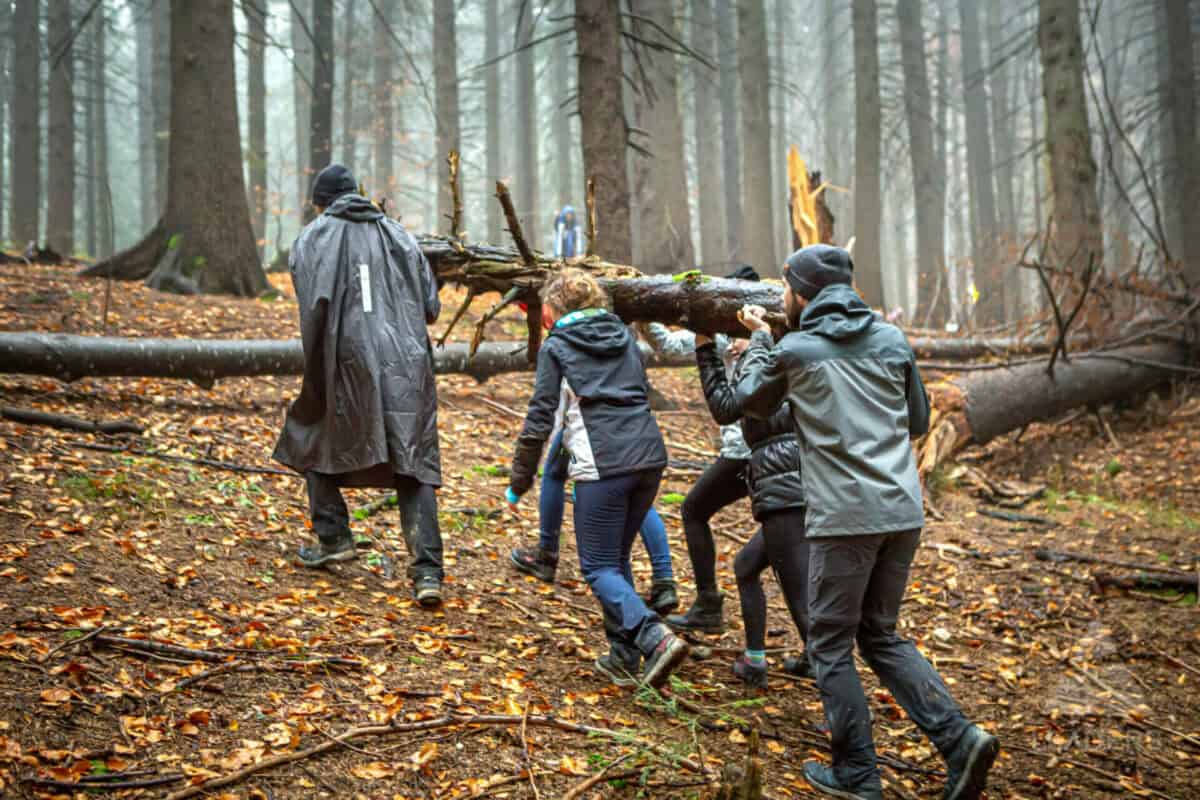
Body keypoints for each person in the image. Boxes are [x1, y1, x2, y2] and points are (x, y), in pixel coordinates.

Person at [733, 245, 998, 800]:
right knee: (879, 634)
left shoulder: (798, 348)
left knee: (830, 645)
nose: (784, 298)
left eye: (786, 289)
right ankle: (959, 740)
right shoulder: (891, 338)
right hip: (902, 511)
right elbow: (920, 418)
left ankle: (857, 774)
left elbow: (749, 401)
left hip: (844, 517)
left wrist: (760, 338)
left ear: (801, 293)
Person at [505, 269, 689, 688]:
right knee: (615, 558)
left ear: (553, 310)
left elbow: (539, 417)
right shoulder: (622, 335)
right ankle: (623, 655)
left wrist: (520, 478)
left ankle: (653, 637)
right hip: (649, 457)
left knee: (598, 566)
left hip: (605, 464)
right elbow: (640, 388)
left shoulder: (557, 346)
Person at [273, 164, 446, 607]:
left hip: (345, 360)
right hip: (406, 364)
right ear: (357, 195)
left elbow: (311, 304)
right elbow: (431, 307)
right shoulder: (401, 237)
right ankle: (428, 572)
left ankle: (333, 536)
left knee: (312, 433)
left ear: (321, 203)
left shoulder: (313, 239)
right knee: (412, 458)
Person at [641, 265, 759, 635]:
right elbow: (671, 345)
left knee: (694, 510)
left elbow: (671, 345)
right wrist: (645, 315)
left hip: (751, 454)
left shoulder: (754, 337)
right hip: (759, 454)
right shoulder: (736, 337)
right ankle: (711, 606)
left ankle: (710, 604)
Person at [692, 328, 812, 689]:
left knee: (801, 600)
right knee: (746, 566)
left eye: (742, 337)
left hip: (788, 494)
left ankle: (845, 716)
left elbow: (724, 408)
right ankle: (758, 660)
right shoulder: (787, 363)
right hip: (792, 490)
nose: (735, 343)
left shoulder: (772, 369)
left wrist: (706, 348)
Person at [508, 428, 679, 614]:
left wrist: (517, 487)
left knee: (554, 471)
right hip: (633, 425)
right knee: (634, 490)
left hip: (589, 421)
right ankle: (664, 581)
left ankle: (546, 553)